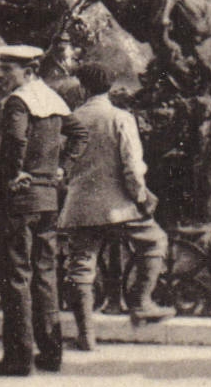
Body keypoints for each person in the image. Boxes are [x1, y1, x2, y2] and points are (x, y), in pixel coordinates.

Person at [0, 45, 88, 377]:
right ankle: (51, 352)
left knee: (16, 276)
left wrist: (14, 172)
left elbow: (15, 139)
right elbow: (79, 134)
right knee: (45, 274)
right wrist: (62, 168)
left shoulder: (19, 100)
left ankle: (18, 358)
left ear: (28, 71)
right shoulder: (53, 100)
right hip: (47, 200)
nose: (1, 75)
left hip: (20, 200)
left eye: (7, 69)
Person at [58, 61, 173, 351]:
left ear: (83, 88)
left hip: (80, 206)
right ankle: (141, 302)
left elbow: (61, 166)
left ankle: (86, 335)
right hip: (120, 206)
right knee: (155, 242)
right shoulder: (121, 118)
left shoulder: (69, 119)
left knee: (81, 267)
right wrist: (141, 197)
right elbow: (132, 167)